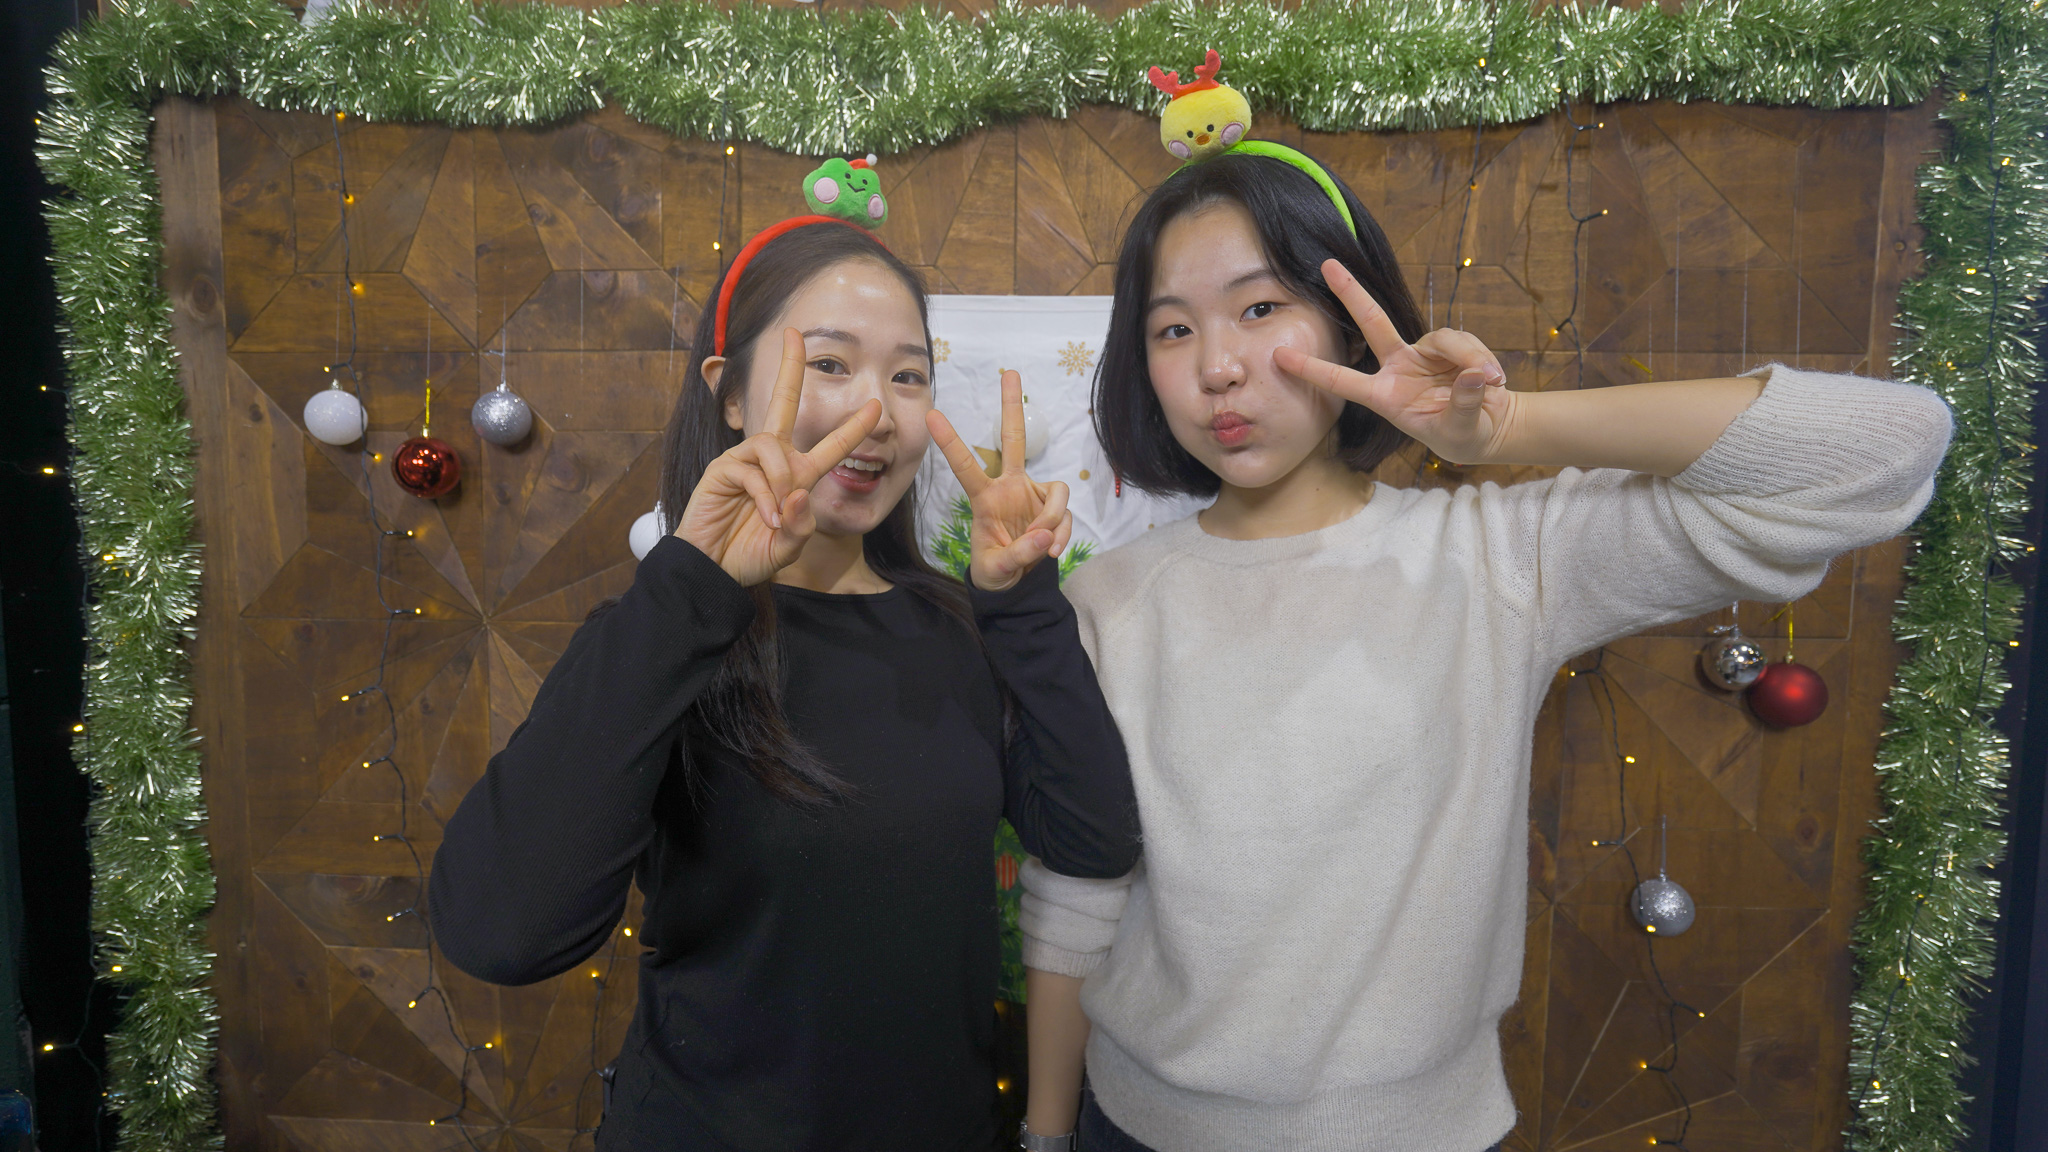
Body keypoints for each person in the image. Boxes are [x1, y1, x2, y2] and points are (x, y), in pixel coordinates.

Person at [1015, 149, 1953, 1152]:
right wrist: (1044, 1135)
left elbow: (1884, 452)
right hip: (1138, 1127)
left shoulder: (1495, 557)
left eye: (1259, 307)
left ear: (1349, 320)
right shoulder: (1104, 603)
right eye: (1172, 328)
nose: (1216, 367)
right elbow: (1075, 896)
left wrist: (1510, 427)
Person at [428, 219, 1141, 1150]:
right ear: (729, 394)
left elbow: (1091, 839)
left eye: (909, 376)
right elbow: (502, 932)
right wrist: (690, 591)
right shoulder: (665, 635)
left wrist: (1021, 603)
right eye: (830, 364)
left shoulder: (956, 632)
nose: (875, 412)